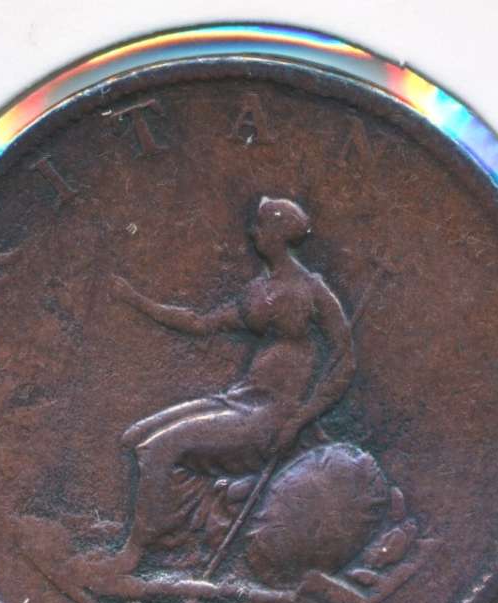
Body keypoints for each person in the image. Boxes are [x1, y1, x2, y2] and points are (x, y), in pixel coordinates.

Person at [104, 196, 356, 573]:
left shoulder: (312, 290)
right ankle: (178, 533)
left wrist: (300, 420)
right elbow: (201, 323)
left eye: (260, 226)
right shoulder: (258, 291)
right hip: (241, 400)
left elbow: (344, 362)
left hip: (274, 416)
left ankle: (134, 554)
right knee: (135, 438)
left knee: (158, 448)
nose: (252, 233)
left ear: (277, 234)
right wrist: (137, 302)